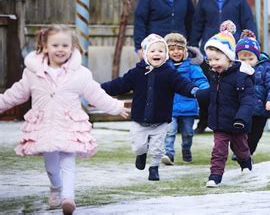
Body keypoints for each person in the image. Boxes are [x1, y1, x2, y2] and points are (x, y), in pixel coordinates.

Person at [0, 25, 129, 214]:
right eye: (55, 45)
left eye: (64, 45)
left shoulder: (81, 74)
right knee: (52, 166)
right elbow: (15, 94)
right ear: (45, 47)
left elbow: (96, 94)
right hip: (44, 126)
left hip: (69, 125)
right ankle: (56, 187)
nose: (60, 49)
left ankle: (69, 198)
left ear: (72, 47)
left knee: (68, 162)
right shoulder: (32, 73)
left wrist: (116, 107)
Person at [101, 34, 200, 181]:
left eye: (160, 51)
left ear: (165, 55)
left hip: (160, 120)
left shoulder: (169, 73)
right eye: (153, 51)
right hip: (139, 119)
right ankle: (141, 154)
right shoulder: (137, 73)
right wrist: (99, 89)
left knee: (158, 148)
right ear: (146, 54)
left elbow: (182, 84)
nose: (157, 54)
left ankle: (154, 168)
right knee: (139, 146)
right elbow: (120, 84)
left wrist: (194, 90)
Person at [190, 0, 257, 133]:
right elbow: (197, 24)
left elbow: (248, 22)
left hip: (231, 52)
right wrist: (192, 48)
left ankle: (232, 122)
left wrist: (252, 43)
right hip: (210, 52)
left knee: (230, 90)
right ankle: (204, 122)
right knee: (209, 89)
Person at [195, 21, 256, 188]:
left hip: (237, 122)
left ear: (229, 57)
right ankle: (215, 176)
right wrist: (198, 95)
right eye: (210, 60)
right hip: (220, 122)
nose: (213, 63)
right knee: (219, 150)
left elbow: (248, 100)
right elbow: (213, 93)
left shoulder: (242, 76)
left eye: (217, 59)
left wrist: (241, 118)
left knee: (241, 148)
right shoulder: (215, 74)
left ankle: (246, 162)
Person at [161, 33, 209, 165]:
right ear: (166, 52)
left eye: (179, 49)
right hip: (169, 107)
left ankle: (186, 149)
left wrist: (205, 91)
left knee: (188, 133)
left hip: (188, 107)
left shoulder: (192, 68)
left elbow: (201, 81)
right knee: (170, 132)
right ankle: (168, 154)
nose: (176, 52)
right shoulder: (163, 68)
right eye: (172, 49)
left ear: (185, 51)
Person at [235, 30, 270, 157]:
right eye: (243, 59)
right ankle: (240, 151)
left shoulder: (265, 67)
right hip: (242, 108)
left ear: (257, 56)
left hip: (260, 110)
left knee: (255, 135)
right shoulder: (235, 69)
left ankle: (248, 154)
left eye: (251, 58)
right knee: (240, 132)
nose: (247, 62)